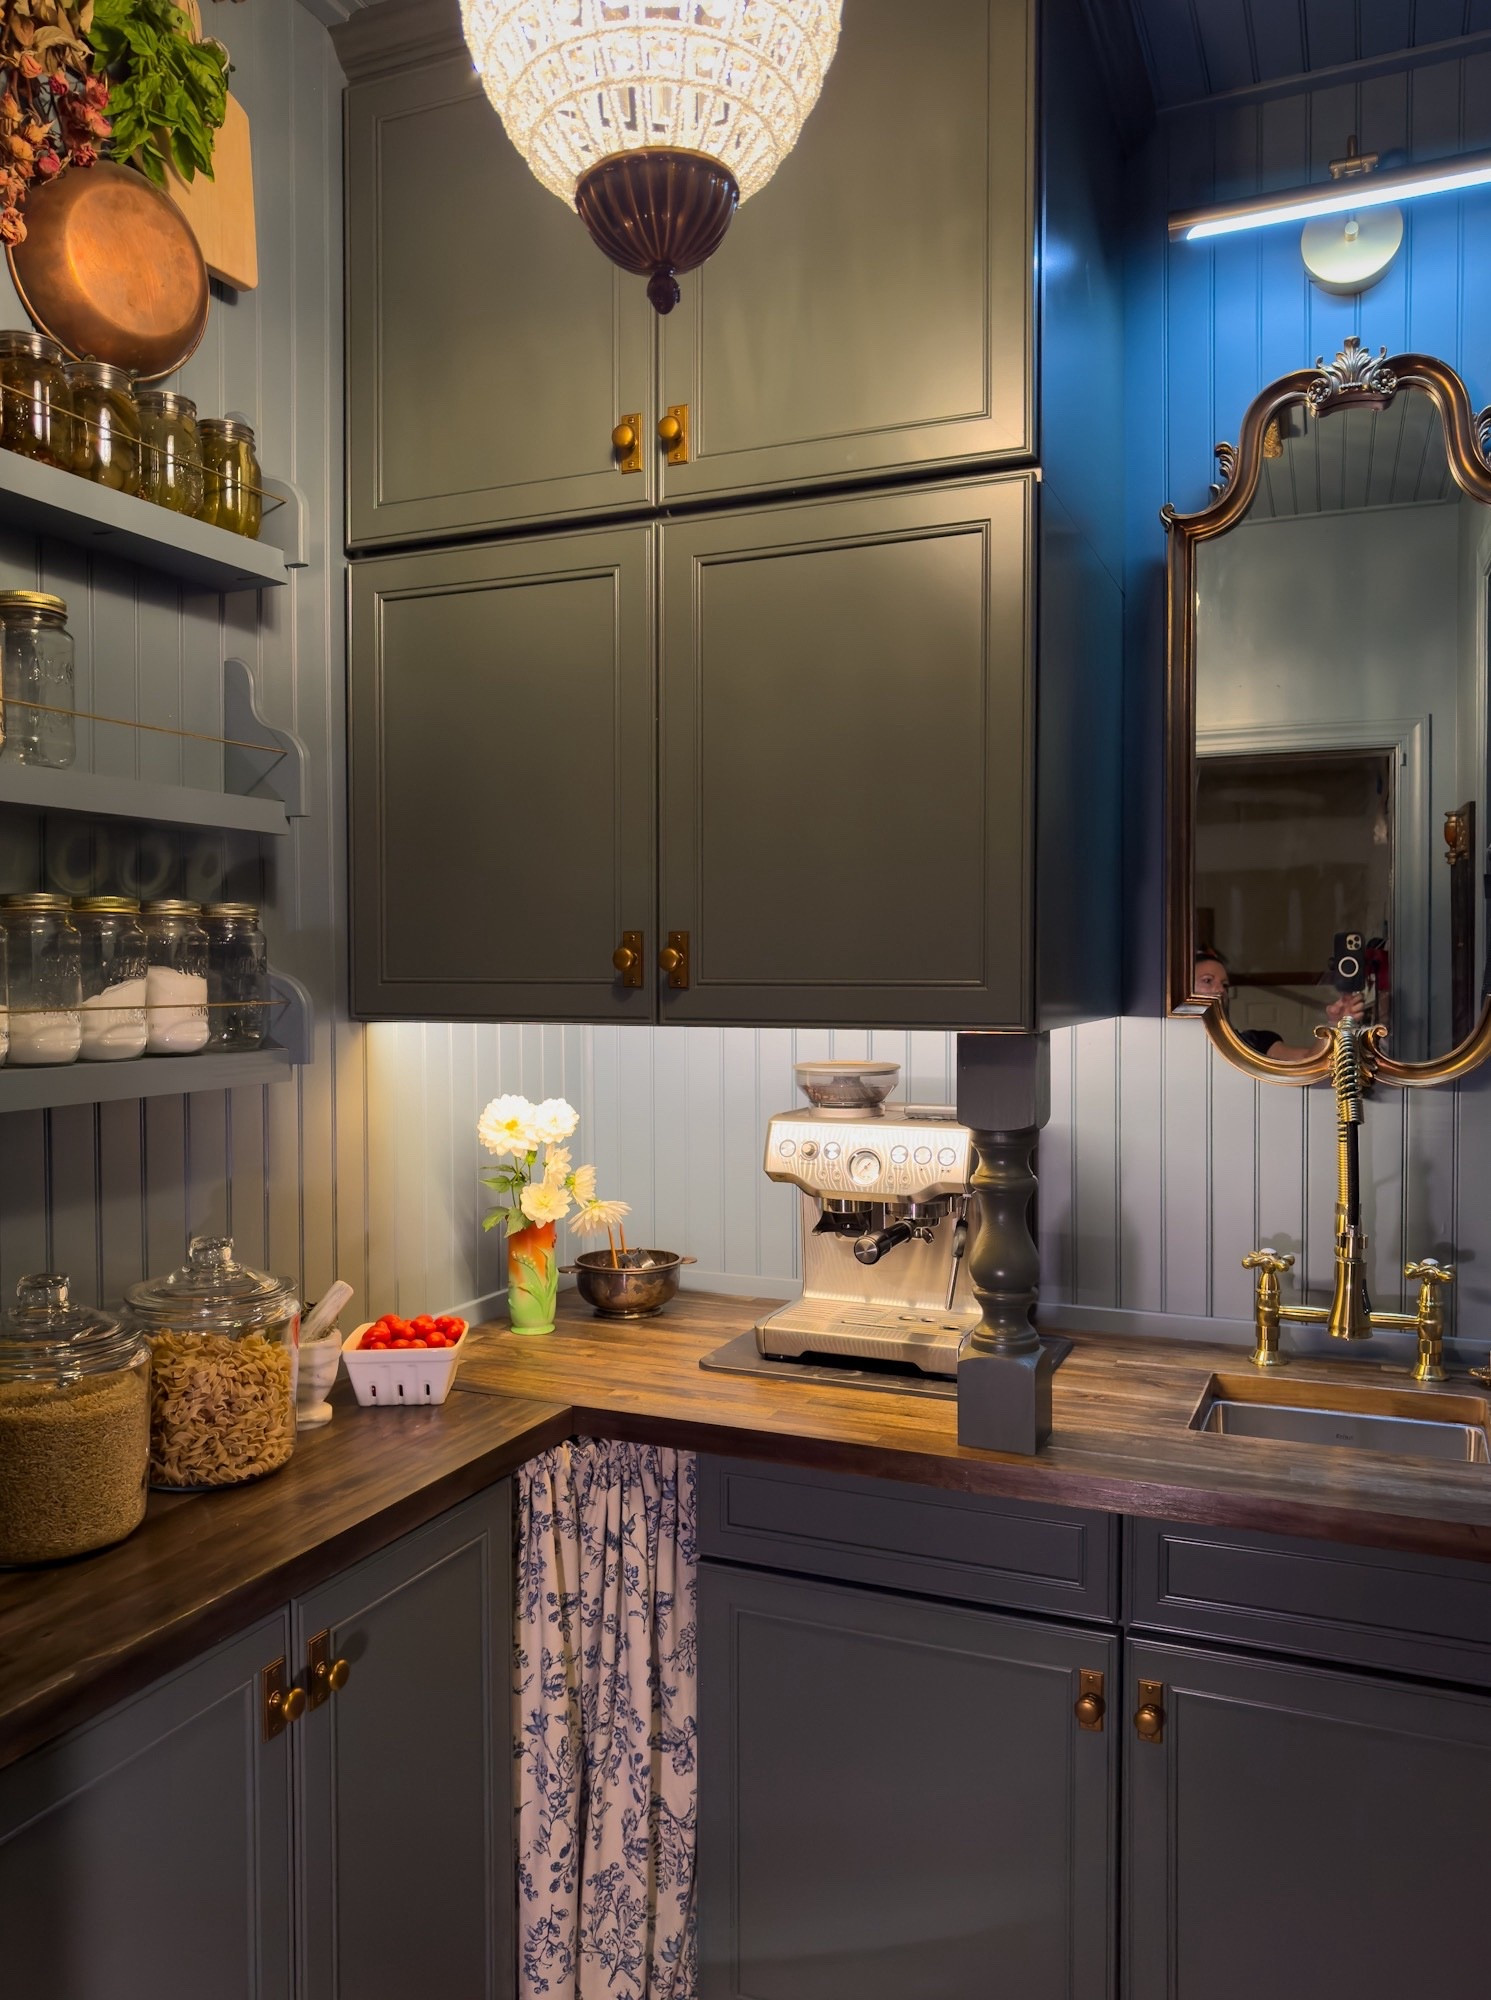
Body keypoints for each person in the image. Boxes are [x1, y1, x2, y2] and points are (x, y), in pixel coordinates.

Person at [1194, 949, 1363, 1062]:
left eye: (1225, 985)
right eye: (1207, 981)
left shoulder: (1255, 1043)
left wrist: (1336, 1024)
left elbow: (1309, 1060)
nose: (1220, 990)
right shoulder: (1178, 1048)